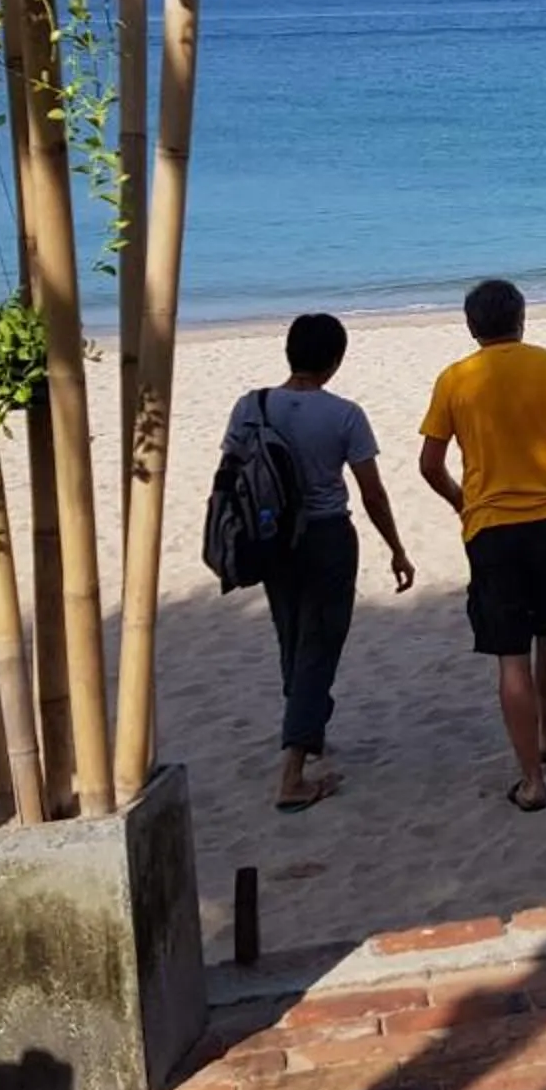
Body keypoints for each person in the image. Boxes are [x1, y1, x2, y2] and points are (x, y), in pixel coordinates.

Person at [417, 279, 546, 811]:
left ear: (472, 327)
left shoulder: (454, 380)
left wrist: (461, 501)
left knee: (509, 656)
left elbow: (430, 465)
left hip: (489, 529)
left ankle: (532, 780)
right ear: (521, 319)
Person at [223, 313, 413, 812]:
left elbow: (231, 474)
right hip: (327, 537)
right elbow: (371, 492)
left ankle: (308, 729)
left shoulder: (251, 405)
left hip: (271, 537)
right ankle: (293, 771)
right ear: (336, 360)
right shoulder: (344, 414)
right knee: (320, 644)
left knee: (291, 632)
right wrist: (395, 546)